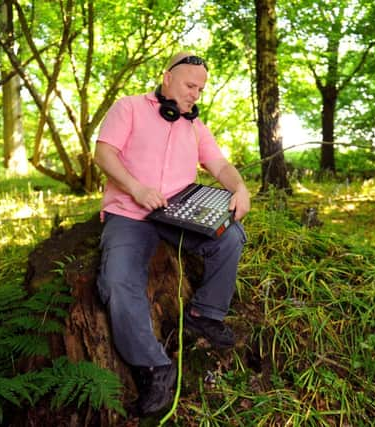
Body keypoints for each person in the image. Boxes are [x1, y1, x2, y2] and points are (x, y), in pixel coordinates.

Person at [94, 51, 250, 416]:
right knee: (118, 282)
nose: (195, 93)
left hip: (180, 214)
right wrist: (136, 188)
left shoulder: (195, 126)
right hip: (130, 213)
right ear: (167, 78)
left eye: (200, 88)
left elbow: (221, 165)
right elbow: (103, 154)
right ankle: (154, 365)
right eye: (189, 85)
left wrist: (240, 189)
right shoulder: (129, 107)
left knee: (231, 236)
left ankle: (203, 316)